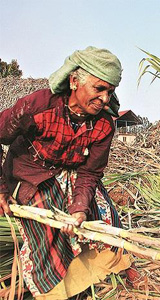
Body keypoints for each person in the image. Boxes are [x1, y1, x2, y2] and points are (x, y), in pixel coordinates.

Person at [0, 46, 140, 299]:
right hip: (29, 176)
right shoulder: (36, 107)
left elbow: (90, 173)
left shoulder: (104, 123)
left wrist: (79, 208)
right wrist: (0, 190)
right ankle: (52, 290)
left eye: (110, 91)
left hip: (72, 174)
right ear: (74, 82)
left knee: (103, 212)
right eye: (99, 89)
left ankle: (114, 264)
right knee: (47, 229)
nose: (105, 99)